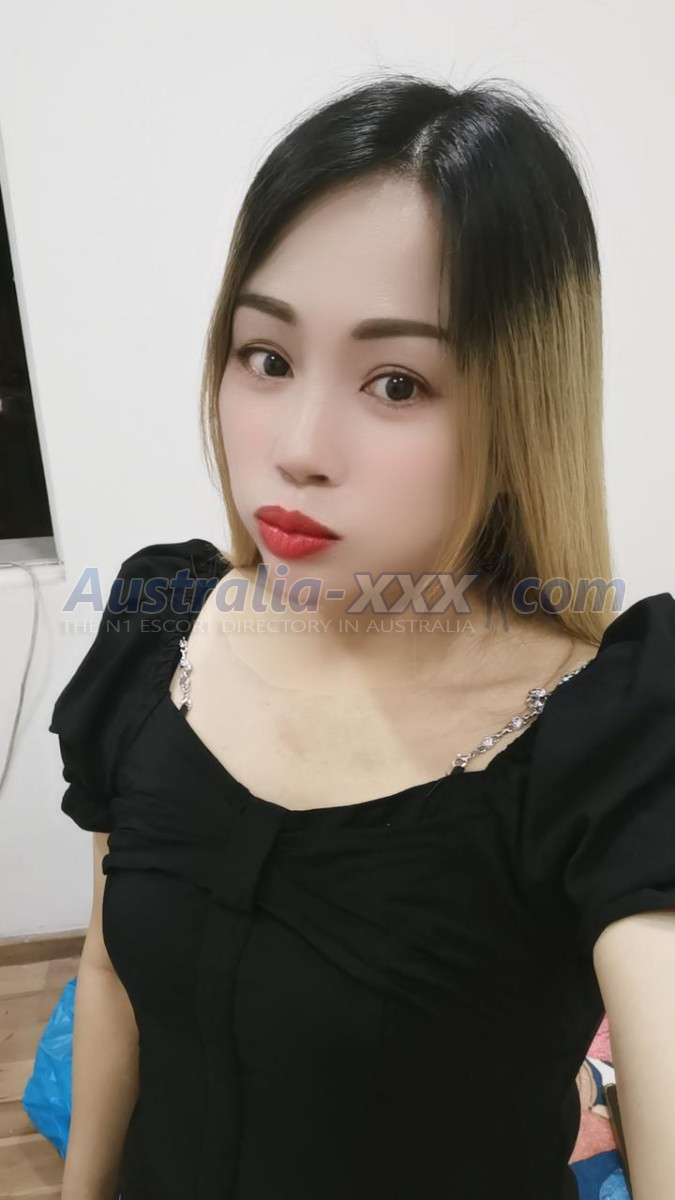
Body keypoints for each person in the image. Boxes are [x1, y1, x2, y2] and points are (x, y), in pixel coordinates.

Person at [50, 72, 675, 1200]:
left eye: (396, 382)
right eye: (267, 357)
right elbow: (108, 972)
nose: (297, 446)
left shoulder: (612, 739)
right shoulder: (159, 628)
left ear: (520, 404)